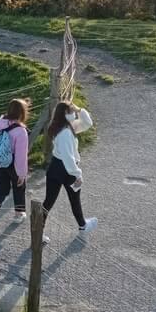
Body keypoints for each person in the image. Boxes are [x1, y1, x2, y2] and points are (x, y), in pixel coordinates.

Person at [43, 101, 98, 243]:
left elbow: (87, 123)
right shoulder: (66, 132)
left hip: (55, 168)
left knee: (49, 201)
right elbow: (68, 158)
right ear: (64, 115)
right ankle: (82, 226)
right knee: (73, 199)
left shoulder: (64, 127)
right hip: (67, 169)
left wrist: (79, 109)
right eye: (70, 111)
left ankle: (38, 230)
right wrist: (78, 174)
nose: (73, 114)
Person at [0, 99, 31, 221]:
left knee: (1, 188)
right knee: (19, 187)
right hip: (12, 163)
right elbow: (21, 156)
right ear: (23, 113)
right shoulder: (21, 131)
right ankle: (19, 213)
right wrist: (22, 174)